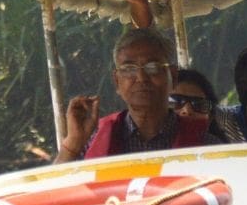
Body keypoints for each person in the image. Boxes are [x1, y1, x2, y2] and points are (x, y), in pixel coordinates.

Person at [56, 27, 217, 162]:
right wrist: (73, 142)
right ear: (117, 82)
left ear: (173, 77)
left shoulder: (205, 144)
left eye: (153, 67)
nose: (141, 78)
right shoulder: (92, 141)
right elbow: (55, 194)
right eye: (129, 69)